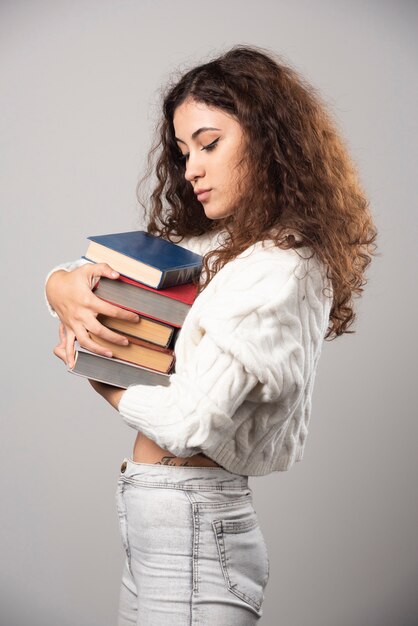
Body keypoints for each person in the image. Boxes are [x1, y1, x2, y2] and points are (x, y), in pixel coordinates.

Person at [45, 44, 377, 625]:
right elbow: (97, 283)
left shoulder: (283, 267)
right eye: (182, 151)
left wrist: (104, 384)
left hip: (195, 531)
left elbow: (190, 425)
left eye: (209, 143)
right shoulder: (216, 250)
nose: (190, 167)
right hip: (155, 523)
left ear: (268, 139)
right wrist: (59, 287)